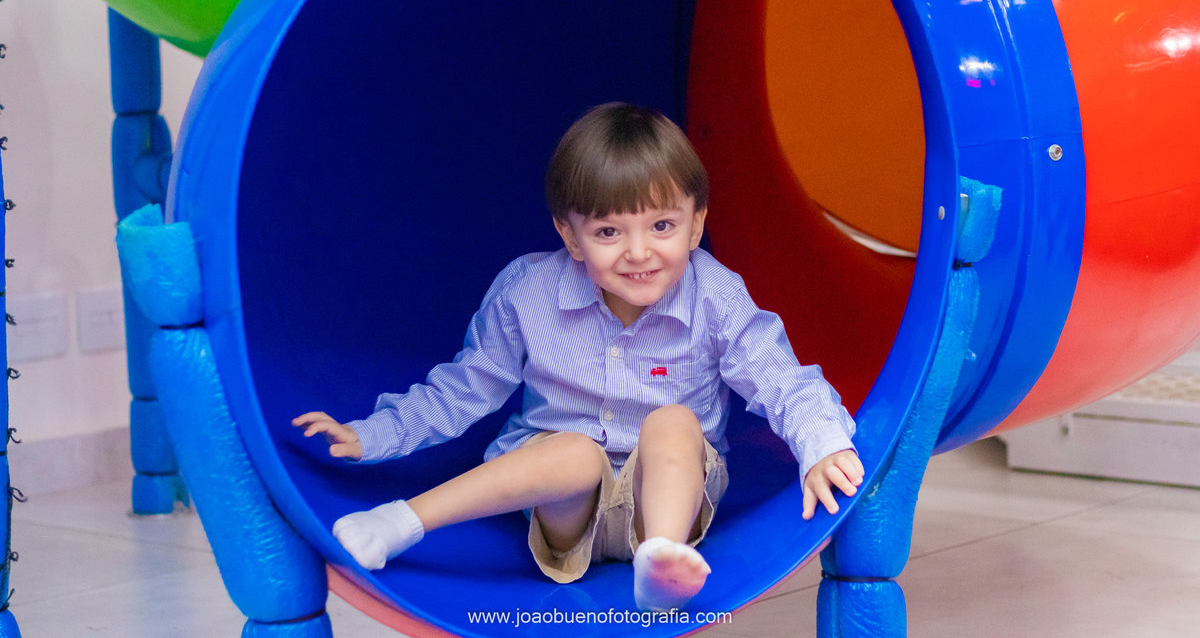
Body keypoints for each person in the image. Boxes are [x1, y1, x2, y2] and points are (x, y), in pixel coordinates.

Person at [294, 102, 863, 612]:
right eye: (609, 232)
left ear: (696, 226)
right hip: (563, 504)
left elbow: (780, 378)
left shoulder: (714, 295)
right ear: (570, 237)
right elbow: (465, 387)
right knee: (575, 451)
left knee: (673, 422)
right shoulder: (528, 292)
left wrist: (822, 445)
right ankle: (401, 521)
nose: (639, 252)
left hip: (670, 499)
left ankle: (660, 565)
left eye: (662, 226)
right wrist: (373, 434)